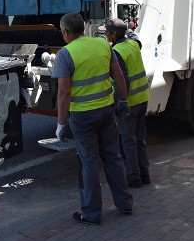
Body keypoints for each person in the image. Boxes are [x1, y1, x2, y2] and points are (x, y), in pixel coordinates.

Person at [52, 12, 133, 225]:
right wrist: (123, 102)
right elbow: (118, 76)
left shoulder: (65, 54)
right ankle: (125, 203)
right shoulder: (103, 44)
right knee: (113, 158)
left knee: (89, 163)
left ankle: (91, 213)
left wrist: (61, 124)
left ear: (66, 33)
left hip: (82, 116)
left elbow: (64, 93)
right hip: (106, 110)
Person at [99, 18, 151, 188]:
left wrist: (121, 103)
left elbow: (123, 80)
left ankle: (133, 178)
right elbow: (134, 37)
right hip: (143, 98)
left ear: (113, 34)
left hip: (130, 102)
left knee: (128, 141)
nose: (105, 35)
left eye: (107, 32)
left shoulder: (117, 51)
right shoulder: (134, 45)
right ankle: (145, 174)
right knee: (140, 140)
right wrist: (126, 27)